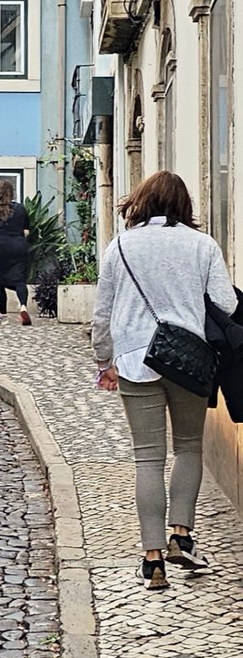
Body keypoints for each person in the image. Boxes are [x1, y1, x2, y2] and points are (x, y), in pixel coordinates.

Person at [92, 171, 234, 590]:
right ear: (184, 205)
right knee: (189, 448)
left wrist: (104, 361)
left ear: (142, 202)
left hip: (136, 359)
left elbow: (102, 314)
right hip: (189, 361)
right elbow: (224, 302)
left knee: (147, 457)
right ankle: (182, 535)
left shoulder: (121, 246)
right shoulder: (202, 245)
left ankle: (152, 559)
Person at [0, 180, 31, 326]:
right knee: (20, 280)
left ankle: (3, 316)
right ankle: (23, 306)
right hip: (18, 246)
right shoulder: (21, 208)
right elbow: (26, 231)